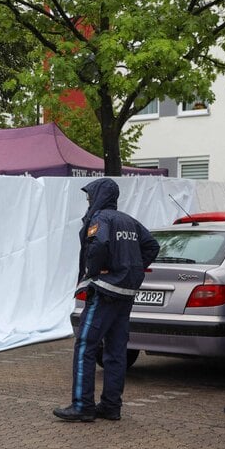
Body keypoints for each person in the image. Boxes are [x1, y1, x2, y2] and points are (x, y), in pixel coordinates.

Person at [54, 178, 159, 422]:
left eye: (90, 197)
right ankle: (111, 406)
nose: (88, 201)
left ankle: (82, 406)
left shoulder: (100, 218)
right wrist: (132, 269)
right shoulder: (129, 221)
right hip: (126, 295)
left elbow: (98, 244)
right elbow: (152, 246)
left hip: (104, 292)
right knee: (115, 351)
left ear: (99, 196)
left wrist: (94, 270)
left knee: (85, 346)